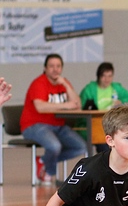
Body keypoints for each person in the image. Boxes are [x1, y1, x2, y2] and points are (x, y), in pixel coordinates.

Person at [21, 53, 87, 184]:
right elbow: (40, 107)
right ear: (45, 68)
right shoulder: (39, 83)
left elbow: (78, 105)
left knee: (81, 147)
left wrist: (66, 85)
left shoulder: (63, 83)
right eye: (51, 66)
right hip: (34, 125)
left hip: (58, 126)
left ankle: (43, 160)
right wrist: (66, 105)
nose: (55, 69)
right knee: (55, 146)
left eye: (58, 66)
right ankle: (49, 174)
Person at [79, 62, 128, 153]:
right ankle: (106, 160)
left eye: (110, 76)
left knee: (123, 138)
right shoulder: (89, 90)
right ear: (99, 76)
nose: (107, 79)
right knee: (105, 142)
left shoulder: (116, 88)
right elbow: (80, 107)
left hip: (111, 125)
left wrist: (122, 101)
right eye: (104, 76)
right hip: (92, 125)